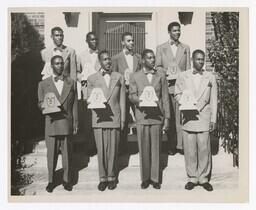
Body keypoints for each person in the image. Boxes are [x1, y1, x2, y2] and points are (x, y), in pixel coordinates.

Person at [174, 49, 217, 191]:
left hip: (204, 116)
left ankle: (204, 177)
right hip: (188, 116)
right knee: (190, 149)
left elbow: (214, 100)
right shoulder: (183, 76)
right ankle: (192, 177)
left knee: (204, 148)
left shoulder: (210, 77)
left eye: (202, 59)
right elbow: (177, 94)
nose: (201, 62)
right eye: (198, 59)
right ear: (192, 60)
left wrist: (213, 119)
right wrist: (185, 101)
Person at [129, 49, 170, 189]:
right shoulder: (135, 76)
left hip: (157, 116)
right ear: (143, 60)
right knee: (144, 148)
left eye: (153, 57)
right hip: (142, 116)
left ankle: (155, 178)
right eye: (150, 58)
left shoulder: (160, 75)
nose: (153, 60)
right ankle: (145, 178)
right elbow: (131, 95)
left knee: (156, 148)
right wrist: (140, 101)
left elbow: (165, 97)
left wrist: (167, 118)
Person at [37, 55, 78, 193]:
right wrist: (45, 106)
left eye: (62, 63)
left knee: (67, 154)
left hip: (66, 122)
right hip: (51, 123)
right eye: (57, 63)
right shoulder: (43, 84)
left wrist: (75, 122)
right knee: (51, 155)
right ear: (52, 66)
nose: (60, 66)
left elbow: (75, 105)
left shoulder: (71, 82)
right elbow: (40, 103)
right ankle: (51, 181)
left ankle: (67, 180)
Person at [87, 50, 126, 191]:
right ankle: (102, 178)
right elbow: (89, 99)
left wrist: (122, 119)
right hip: (99, 118)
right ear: (99, 62)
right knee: (101, 149)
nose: (108, 61)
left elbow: (122, 100)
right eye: (104, 59)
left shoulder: (119, 77)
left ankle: (112, 177)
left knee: (113, 149)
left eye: (109, 59)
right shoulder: (92, 79)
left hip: (114, 117)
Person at [155, 21, 191, 155]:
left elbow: (188, 69)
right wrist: (167, 72)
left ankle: (181, 145)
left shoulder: (185, 48)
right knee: (169, 116)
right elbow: (157, 67)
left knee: (181, 117)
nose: (177, 33)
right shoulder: (161, 48)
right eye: (175, 30)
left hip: (181, 88)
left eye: (179, 30)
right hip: (167, 87)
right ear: (169, 32)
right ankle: (171, 145)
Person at [112, 32, 141, 153]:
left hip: (135, 93)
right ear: (122, 42)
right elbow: (113, 77)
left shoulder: (138, 57)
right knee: (123, 118)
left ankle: (141, 146)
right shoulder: (116, 58)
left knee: (139, 117)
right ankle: (122, 147)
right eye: (128, 41)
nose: (132, 43)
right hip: (123, 93)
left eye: (132, 40)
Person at [76, 32, 100, 155]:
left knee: (99, 117)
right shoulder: (80, 56)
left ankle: (98, 146)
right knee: (87, 119)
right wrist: (83, 78)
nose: (94, 41)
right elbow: (76, 72)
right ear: (87, 41)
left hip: (99, 91)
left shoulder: (102, 55)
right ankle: (89, 146)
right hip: (86, 91)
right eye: (91, 39)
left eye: (96, 39)